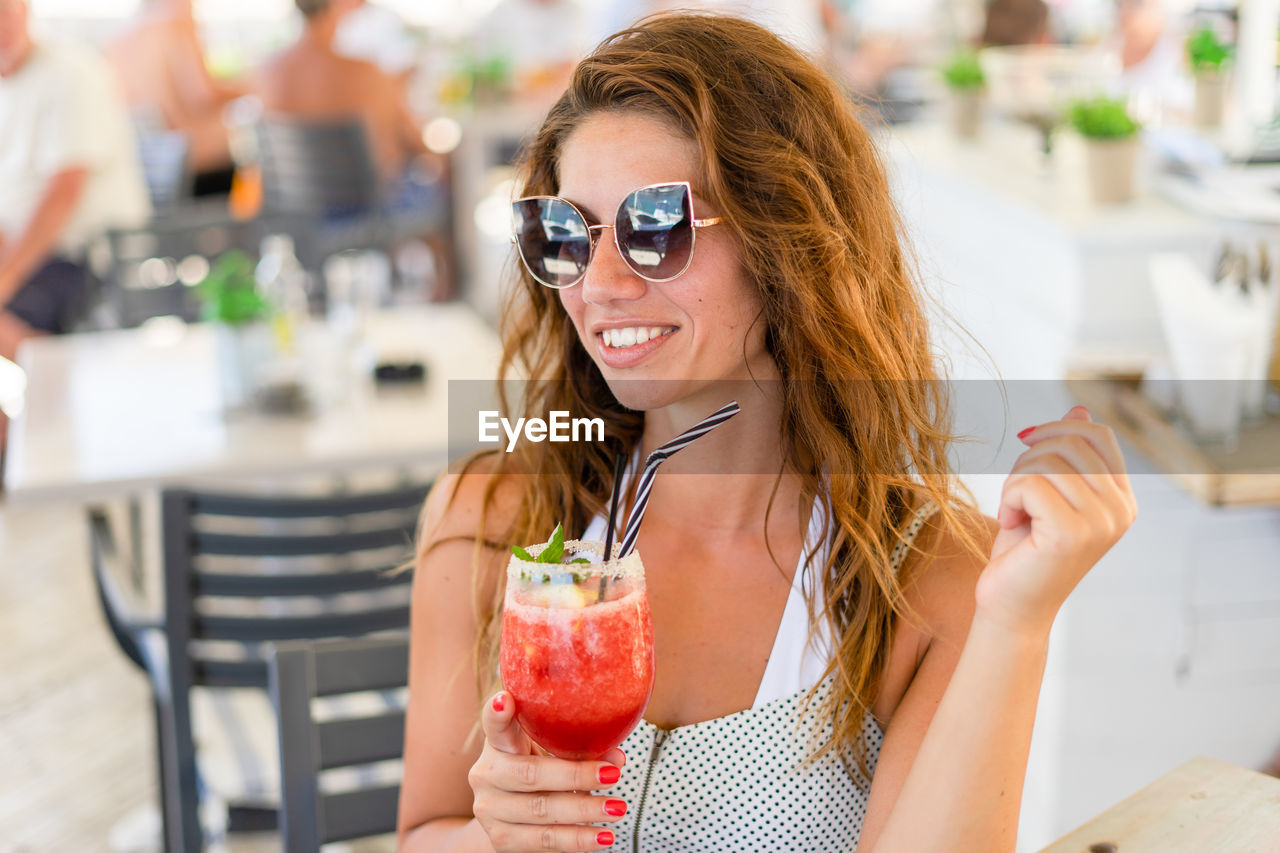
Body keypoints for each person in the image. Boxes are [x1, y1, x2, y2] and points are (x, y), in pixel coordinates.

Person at [397, 12, 1136, 852]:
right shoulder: (492, 522)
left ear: (788, 239)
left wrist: (1018, 623)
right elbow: (423, 831)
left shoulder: (930, 585)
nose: (598, 285)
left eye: (653, 225)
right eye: (565, 232)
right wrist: (494, 837)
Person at [0, 0, 150, 362]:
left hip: (83, 258)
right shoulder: (10, 86)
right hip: (32, 254)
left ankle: (54, 377)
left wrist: (5, 279)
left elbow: (64, 193)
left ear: (25, 10)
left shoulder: (72, 72)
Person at [253, 0, 432, 184]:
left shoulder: (266, 70)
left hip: (294, 207)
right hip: (368, 206)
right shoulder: (366, 73)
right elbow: (416, 142)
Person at [107, 0, 246, 196]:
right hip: (202, 167)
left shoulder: (121, 38)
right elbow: (202, 95)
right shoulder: (175, 26)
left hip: (152, 173)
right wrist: (250, 87)